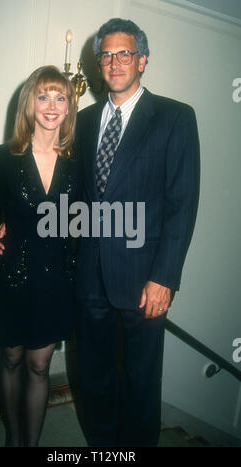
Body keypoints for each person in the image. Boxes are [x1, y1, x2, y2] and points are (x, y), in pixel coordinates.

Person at [74, 18, 200, 447]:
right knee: (92, 377)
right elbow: (73, 194)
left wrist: (165, 277)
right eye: (106, 54)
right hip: (90, 274)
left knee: (141, 383)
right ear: (98, 63)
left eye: (124, 53)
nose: (115, 62)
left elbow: (182, 204)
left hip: (146, 279)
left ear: (142, 60)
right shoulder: (85, 120)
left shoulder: (175, 118)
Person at [0, 65, 78, 447]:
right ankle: (13, 437)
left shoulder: (77, 161)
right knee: (11, 360)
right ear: (29, 103)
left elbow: (83, 219)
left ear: (69, 106)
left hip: (55, 279)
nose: (51, 105)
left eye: (60, 97)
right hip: (10, 276)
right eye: (43, 96)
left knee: (40, 367)